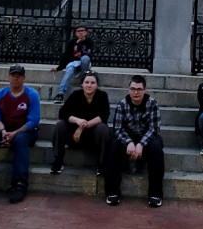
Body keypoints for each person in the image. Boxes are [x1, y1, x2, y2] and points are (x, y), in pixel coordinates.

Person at [0, 64, 41, 204]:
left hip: (25, 131)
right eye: (13, 76)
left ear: (24, 78)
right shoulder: (0, 94)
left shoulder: (32, 94)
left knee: (20, 140)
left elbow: (34, 120)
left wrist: (15, 132)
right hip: (5, 128)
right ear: (8, 77)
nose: (16, 79)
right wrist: (3, 131)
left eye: (19, 76)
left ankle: (19, 184)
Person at [104, 74, 165, 208]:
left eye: (139, 89)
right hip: (128, 139)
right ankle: (112, 192)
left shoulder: (152, 104)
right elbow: (118, 129)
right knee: (113, 145)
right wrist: (129, 143)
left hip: (147, 139)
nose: (135, 92)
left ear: (144, 90)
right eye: (133, 89)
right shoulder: (122, 104)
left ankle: (155, 194)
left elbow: (154, 129)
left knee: (157, 147)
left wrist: (141, 144)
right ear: (129, 90)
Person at [51, 71, 113, 176]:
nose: (89, 85)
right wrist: (77, 121)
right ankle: (58, 161)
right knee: (60, 125)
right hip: (74, 136)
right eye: (87, 82)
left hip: (92, 137)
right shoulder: (76, 95)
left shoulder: (102, 95)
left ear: (97, 85)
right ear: (82, 84)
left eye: (93, 83)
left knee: (103, 128)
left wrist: (83, 127)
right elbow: (63, 113)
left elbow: (104, 115)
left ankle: (102, 164)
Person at [51, 25, 93, 104]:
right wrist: (58, 68)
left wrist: (79, 45)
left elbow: (88, 54)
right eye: (78, 31)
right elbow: (66, 56)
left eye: (82, 31)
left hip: (84, 63)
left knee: (85, 58)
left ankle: (83, 79)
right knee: (69, 70)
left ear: (86, 32)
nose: (80, 33)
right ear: (75, 33)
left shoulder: (89, 41)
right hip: (74, 63)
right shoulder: (72, 42)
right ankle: (60, 94)